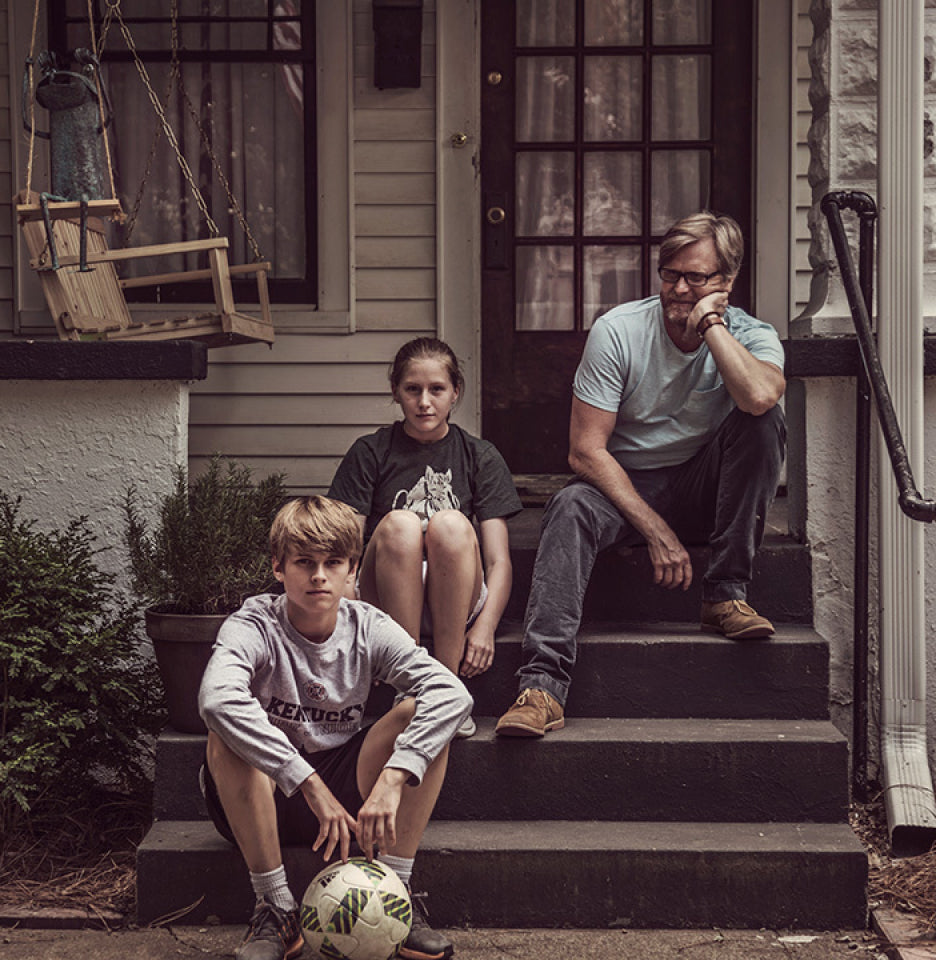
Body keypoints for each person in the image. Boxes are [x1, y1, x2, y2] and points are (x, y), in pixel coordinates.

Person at [495, 210, 787, 738]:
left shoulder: (752, 335)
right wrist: (655, 530)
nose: (678, 288)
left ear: (725, 282)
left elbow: (760, 395)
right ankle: (542, 686)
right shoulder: (620, 330)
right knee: (569, 506)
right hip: (627, 486)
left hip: (706, 488)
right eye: (669, 273)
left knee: (764, 420)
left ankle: (725, 593)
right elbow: (585, 453)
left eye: (695, 277)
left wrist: (712, 324)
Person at [198, 495, 472, 960]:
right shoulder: (254, 624)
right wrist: (305, 781)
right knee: (225, 734)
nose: (319, 576)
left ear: (352, 570)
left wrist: (394, 776)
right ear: (278, 567)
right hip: (263, 794)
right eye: (304, 562)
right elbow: (216, 699)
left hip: (347, 789)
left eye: (332, 562)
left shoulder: (368, 627)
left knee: (419, 716)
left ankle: (395, 895)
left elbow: (453, 695)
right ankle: (275, 908)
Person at [328, 337, 522, 738]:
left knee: (449, 525)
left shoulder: (479, 456)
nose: (424, 402)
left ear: (455, 393)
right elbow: (340, 554)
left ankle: (446, 690)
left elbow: (499, 562)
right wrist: (358, 632)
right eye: (412, 389)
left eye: (437, 389)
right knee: (401, 525)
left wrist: (485, 628)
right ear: (396, 392)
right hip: (385, 601)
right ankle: (408, 685)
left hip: (455, 595)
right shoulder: (370, 452)